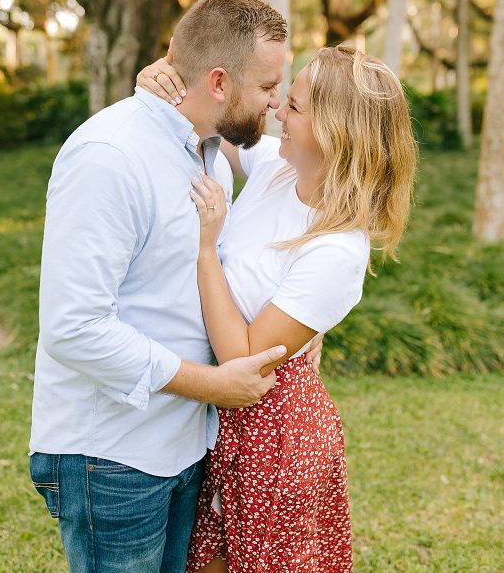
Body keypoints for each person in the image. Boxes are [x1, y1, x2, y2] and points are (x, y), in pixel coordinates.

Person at [29, 0, 296, 572]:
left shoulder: (210, 154)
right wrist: (212, 386)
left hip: (184, 444)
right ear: (220, 83)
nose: (276, 105)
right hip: (112, 456)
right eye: (269, 89)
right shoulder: (110, 156)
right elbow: (73, 328)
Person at [136, 43, 417, 572]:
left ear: (335, 131)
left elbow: (241, 354)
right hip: (222, 419)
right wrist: (165, 75)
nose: (275, 112)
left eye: (294, 105)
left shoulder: (336, 250)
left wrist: (206, 249)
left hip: (275, 438)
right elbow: (212, 115)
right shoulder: (275, 167)